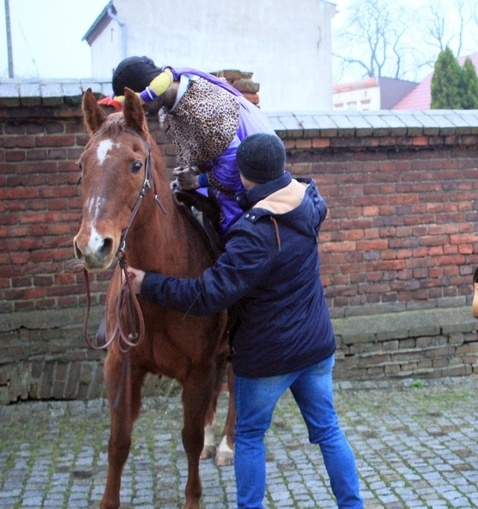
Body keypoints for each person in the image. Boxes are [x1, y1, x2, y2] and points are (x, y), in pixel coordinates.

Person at [125, 133, 364, 509]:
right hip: (316, 348)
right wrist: (207, 185)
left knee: (249, 436)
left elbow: (209, 294)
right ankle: (353, 506)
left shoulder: (254, 233)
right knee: (329, 431)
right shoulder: (310, 201)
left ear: (243, 175)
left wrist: (148, 283)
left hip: (267, 357)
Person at [106, 55, 275, 233]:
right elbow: (211, 152)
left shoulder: (202, 111)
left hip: (253, 186)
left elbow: (233, 166)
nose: (141, 111)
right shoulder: (180, 94)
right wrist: (193, 171)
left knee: (234, 245)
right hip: (233, 178)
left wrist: (198, 180)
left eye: (140, 104)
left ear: (153, 90)